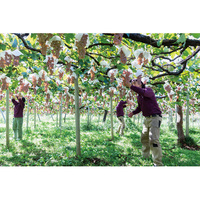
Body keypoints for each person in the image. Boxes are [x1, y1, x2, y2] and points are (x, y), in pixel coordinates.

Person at [125, 77, 163, 166]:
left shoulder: (148, 90)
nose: (133, 84)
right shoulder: (139, 97)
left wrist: (131, 86)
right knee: (144, 139)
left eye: (135, 82)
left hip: (155, 118)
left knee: (153, 139)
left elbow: (143, 92)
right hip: (146, 119)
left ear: (141, 84)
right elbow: (139, 107)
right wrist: (133, 113)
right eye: (132, 83)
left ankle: (158, 163)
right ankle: (145, 157)